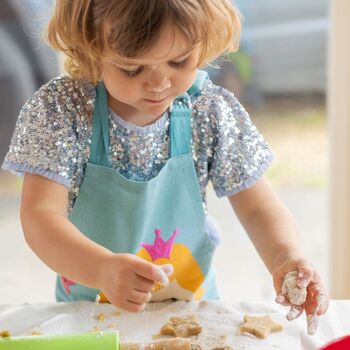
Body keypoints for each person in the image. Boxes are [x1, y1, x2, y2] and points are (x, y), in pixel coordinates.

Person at [2, 0, 328, 335]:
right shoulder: (64, 111)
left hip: (192, 316)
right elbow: (41, 216)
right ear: (91, 45)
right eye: (132, 69)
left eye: (179, 61)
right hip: (89, 317)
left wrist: (286, 258)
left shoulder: (208, 109)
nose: (158, 84)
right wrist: (101, 270)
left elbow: (258, 206)